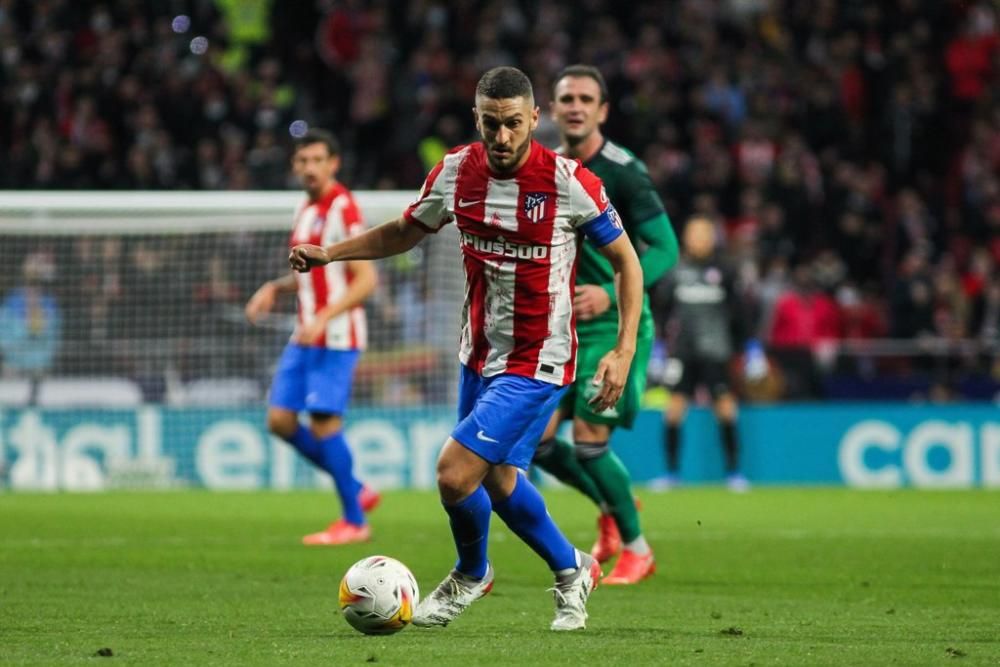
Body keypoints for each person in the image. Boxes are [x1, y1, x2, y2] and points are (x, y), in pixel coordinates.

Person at [288, 66, 644, 632]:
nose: (501, 139)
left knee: (455, 474)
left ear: (534, 119)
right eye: (490, 124)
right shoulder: (456, 171)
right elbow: (407, 230)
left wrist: (623, 349)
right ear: (476, 118)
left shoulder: (569, 182)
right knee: (498, 478)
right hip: (477, 352)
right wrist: (333, 254)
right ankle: (572, 567)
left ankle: (470, 572)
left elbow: (628, 262)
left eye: (512, 125)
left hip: (539, 358)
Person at [533, 65, 679, 584]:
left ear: (603, 110)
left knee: (592, 436)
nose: (575, 106)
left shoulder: (623, 170)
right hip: (562, 327)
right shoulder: (546, 168)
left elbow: (665, 249)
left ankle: (638, 548)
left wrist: (610, 292)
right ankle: (613, 511)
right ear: (552, 109)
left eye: (585, 98)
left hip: (614, 326)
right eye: (566, 97)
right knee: (538, 441)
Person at [245, 129, 380, 546]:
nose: (308, 168)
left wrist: (325, 315)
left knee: (324, 422)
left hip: (336, 335)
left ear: (333, 163)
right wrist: (275, 287)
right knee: (280, 420)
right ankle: (355, 486)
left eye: (317, 160)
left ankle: (354, 520)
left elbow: (366, 279)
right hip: (306, 332)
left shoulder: (343, 207)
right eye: (302, 161)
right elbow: (314, 274)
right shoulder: (304, 209)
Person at [652, 216, 755, 492]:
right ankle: (671, 474)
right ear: (686, 237)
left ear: (713, 238)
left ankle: (734, 473)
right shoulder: (675, 270)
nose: (698, 239)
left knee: (725, 409)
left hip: (716, 352)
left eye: (704, 234)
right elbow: (662, 310)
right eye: (694, 233)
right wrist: (659, 346)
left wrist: (750, 347)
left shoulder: (726, 270)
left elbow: (740, 312)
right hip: (682, 353)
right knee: (673, 411)